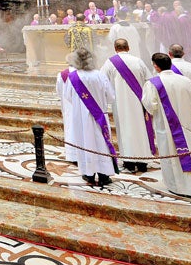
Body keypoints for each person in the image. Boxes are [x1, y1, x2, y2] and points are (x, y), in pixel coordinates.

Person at [142, 52, 191, 198]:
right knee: (189, 153)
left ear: (156, 66)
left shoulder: (153, 83)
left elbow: (150, 106)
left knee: (171, 156)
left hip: (166, 126)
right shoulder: (186, 81)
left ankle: (176, 186)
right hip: (187, 125)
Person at [63, 48, 118, 187]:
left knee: (85, 142)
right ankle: (104, 175)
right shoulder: (99, 75)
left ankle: (88, 173)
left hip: (81, 118)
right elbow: (111, 97)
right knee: (101, 143)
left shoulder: (73, 77)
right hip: (99, 115)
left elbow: (68, 97)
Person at [101, 38, 154, 173]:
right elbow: (149, 80)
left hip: (120, 103)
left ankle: (129, 162)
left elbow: (102, 81)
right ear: (128, 47)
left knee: (125, 130)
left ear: (115, 48)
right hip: (138, 102)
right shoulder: (138, 61)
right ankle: (143, 162)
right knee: (140, 130)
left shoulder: (110, 62)